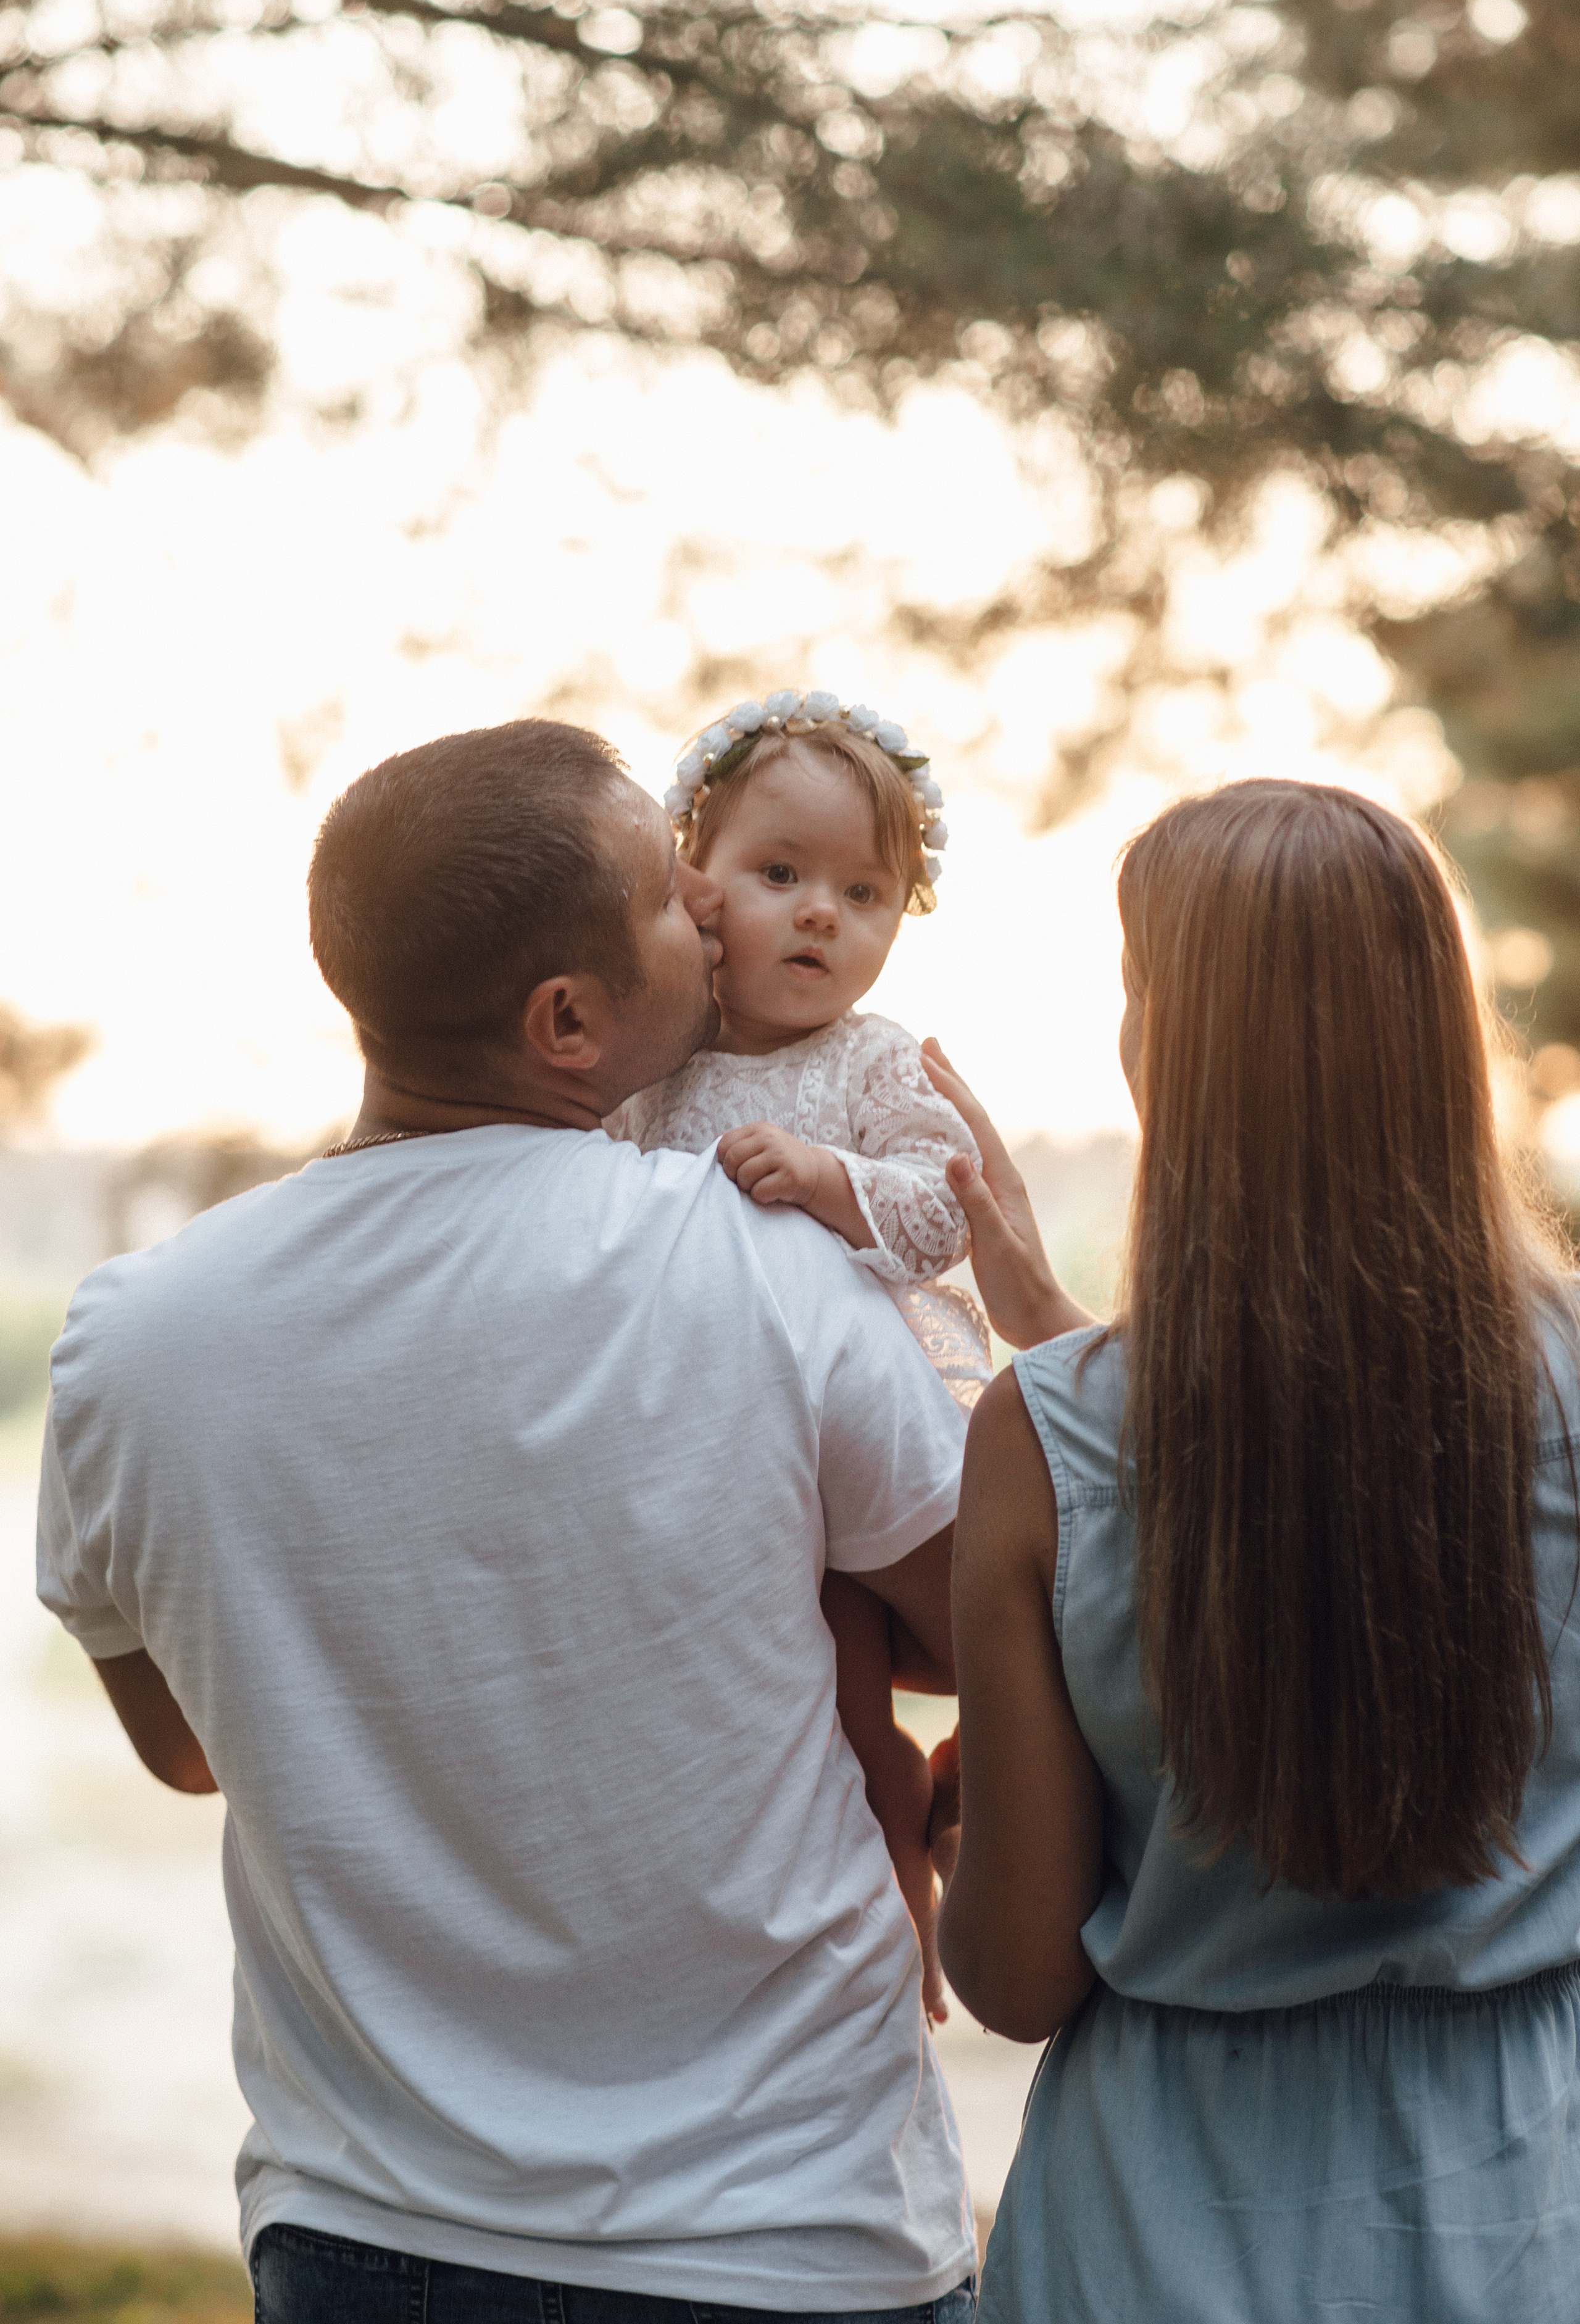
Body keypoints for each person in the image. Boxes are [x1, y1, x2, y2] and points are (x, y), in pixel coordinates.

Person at [36, 719, 979, 2324]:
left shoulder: (133, 1335)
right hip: (789, 2233)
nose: (709, 903)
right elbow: (974, 1632)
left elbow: (193, 1747)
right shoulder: (759, 1254)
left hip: (366, 2233)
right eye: (669, 895)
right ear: (567, 1020)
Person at [931, 779, 1580, 2323]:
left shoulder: (1043, 1437)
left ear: (1172, 1047)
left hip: (1158, 2231)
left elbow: (1014, 1981)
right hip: (1523, 2208)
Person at [607, 689, 990, 2019]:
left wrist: (832, 1180)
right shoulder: (653, 1061)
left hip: (883, 1426)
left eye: (863, 891)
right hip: (734, 1445)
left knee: (971, 1653)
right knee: (827, 1707)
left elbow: (946, 1206)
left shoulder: (867, 1062)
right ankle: (890, 1856)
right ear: (693, 882)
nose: (821, 913)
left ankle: (937, 1844)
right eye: (780, 875)